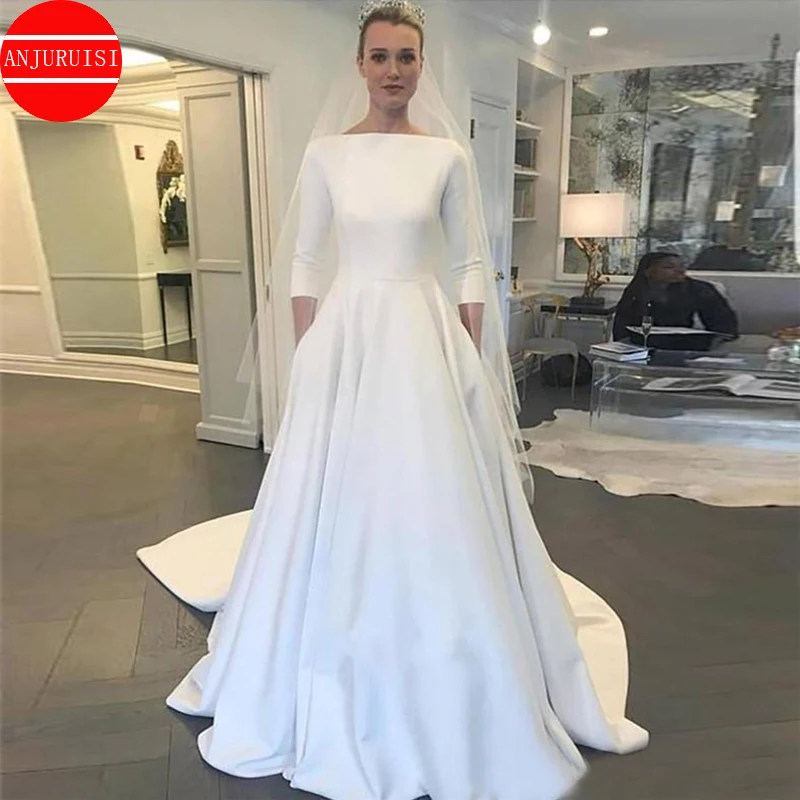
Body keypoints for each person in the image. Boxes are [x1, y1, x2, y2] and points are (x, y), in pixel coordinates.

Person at [137, 3, 648, 798]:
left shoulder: (445, 156)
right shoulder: (328, 155)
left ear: (421, 65)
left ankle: (451, 638)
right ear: (360, 64)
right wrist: (310, 349)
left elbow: (469, 264)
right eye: (379, 56)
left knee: (431, 485)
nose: (393, 71)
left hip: (422, 333)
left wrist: (471, 352)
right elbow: (307, 259)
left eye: (406, 57)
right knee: (336, 484)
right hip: (348, 336)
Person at [613, 251, 739, 348]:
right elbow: (622, 325)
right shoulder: (636, 291)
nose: (680, 271)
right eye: (669, 267)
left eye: (682, 266)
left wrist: (717, 340)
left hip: (686, 344)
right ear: (648, 272)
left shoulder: (700, 289)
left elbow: (723, 322)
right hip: (642, 345)